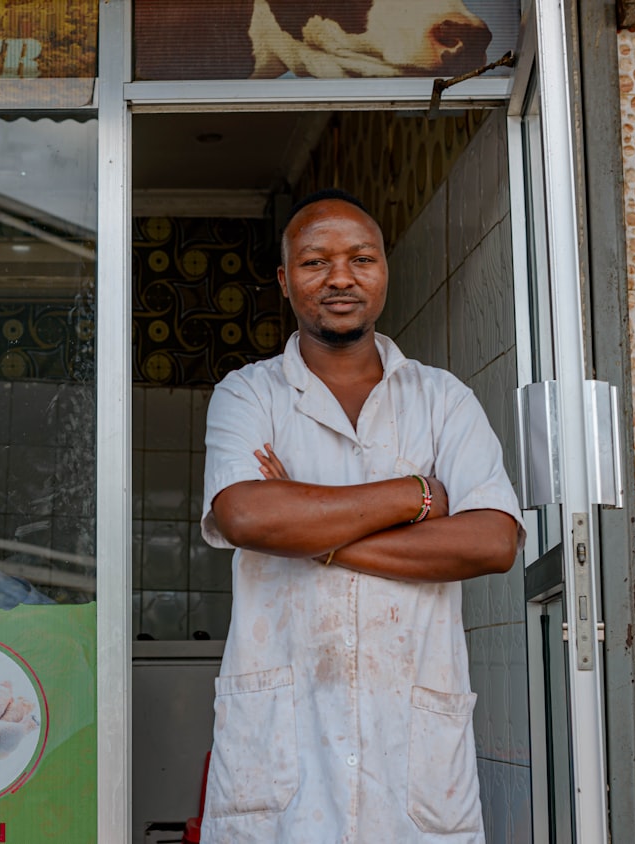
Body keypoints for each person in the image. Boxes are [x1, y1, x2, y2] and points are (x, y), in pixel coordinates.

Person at [198, 188, 523, 843]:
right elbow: (244, 516)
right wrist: (413, 497)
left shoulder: (442, 400)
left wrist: (314, 536)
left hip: (413, 755)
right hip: (283, 752)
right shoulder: (248, 394)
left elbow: (493, 540)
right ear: (286, 281)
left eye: (361, 259)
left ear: (383, 273)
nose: (340, 277)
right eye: (316, 262)